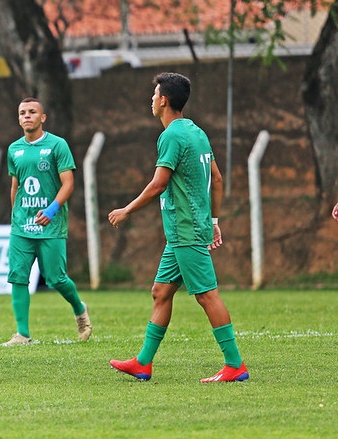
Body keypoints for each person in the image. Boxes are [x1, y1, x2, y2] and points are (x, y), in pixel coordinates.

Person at [107, 72, 249, 383]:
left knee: (206, 295)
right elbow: (218, 179)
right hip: (184, 229)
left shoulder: (171, 135)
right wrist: (213, 221)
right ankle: (143, 363)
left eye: (155, 94)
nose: (152, 99)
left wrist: (127, 209)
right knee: (160, 292)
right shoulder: (196, 132)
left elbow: (159, 184)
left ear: (164, 100)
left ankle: (235, 365)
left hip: (185, 228)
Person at [2, 97, 92, 347]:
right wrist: (15, 217)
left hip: (50, 224)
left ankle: (79, 308)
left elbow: (68, 184)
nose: (26, 116)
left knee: (56, 278)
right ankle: (22, 334)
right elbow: (15, 185)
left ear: (43, 118)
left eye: (32, 112)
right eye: (22, 112)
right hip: (22, 225)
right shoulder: (14, 149)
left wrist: (52, 210)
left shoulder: (57, 145)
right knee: (18, 277)